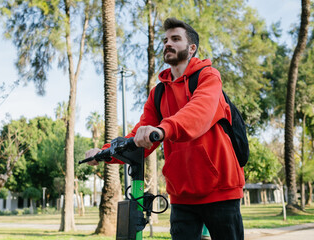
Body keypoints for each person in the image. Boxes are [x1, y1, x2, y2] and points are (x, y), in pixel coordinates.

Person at [85, 17, 245, 240]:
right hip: (182, 195)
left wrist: (162, 129)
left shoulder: (208, 77)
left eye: (175, 39)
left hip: (220, 190)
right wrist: (105, 153)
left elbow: (199, 112)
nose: (167, 43)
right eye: (165, 40)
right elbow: (140, 134)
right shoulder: (158, 93)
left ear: (191, 49)